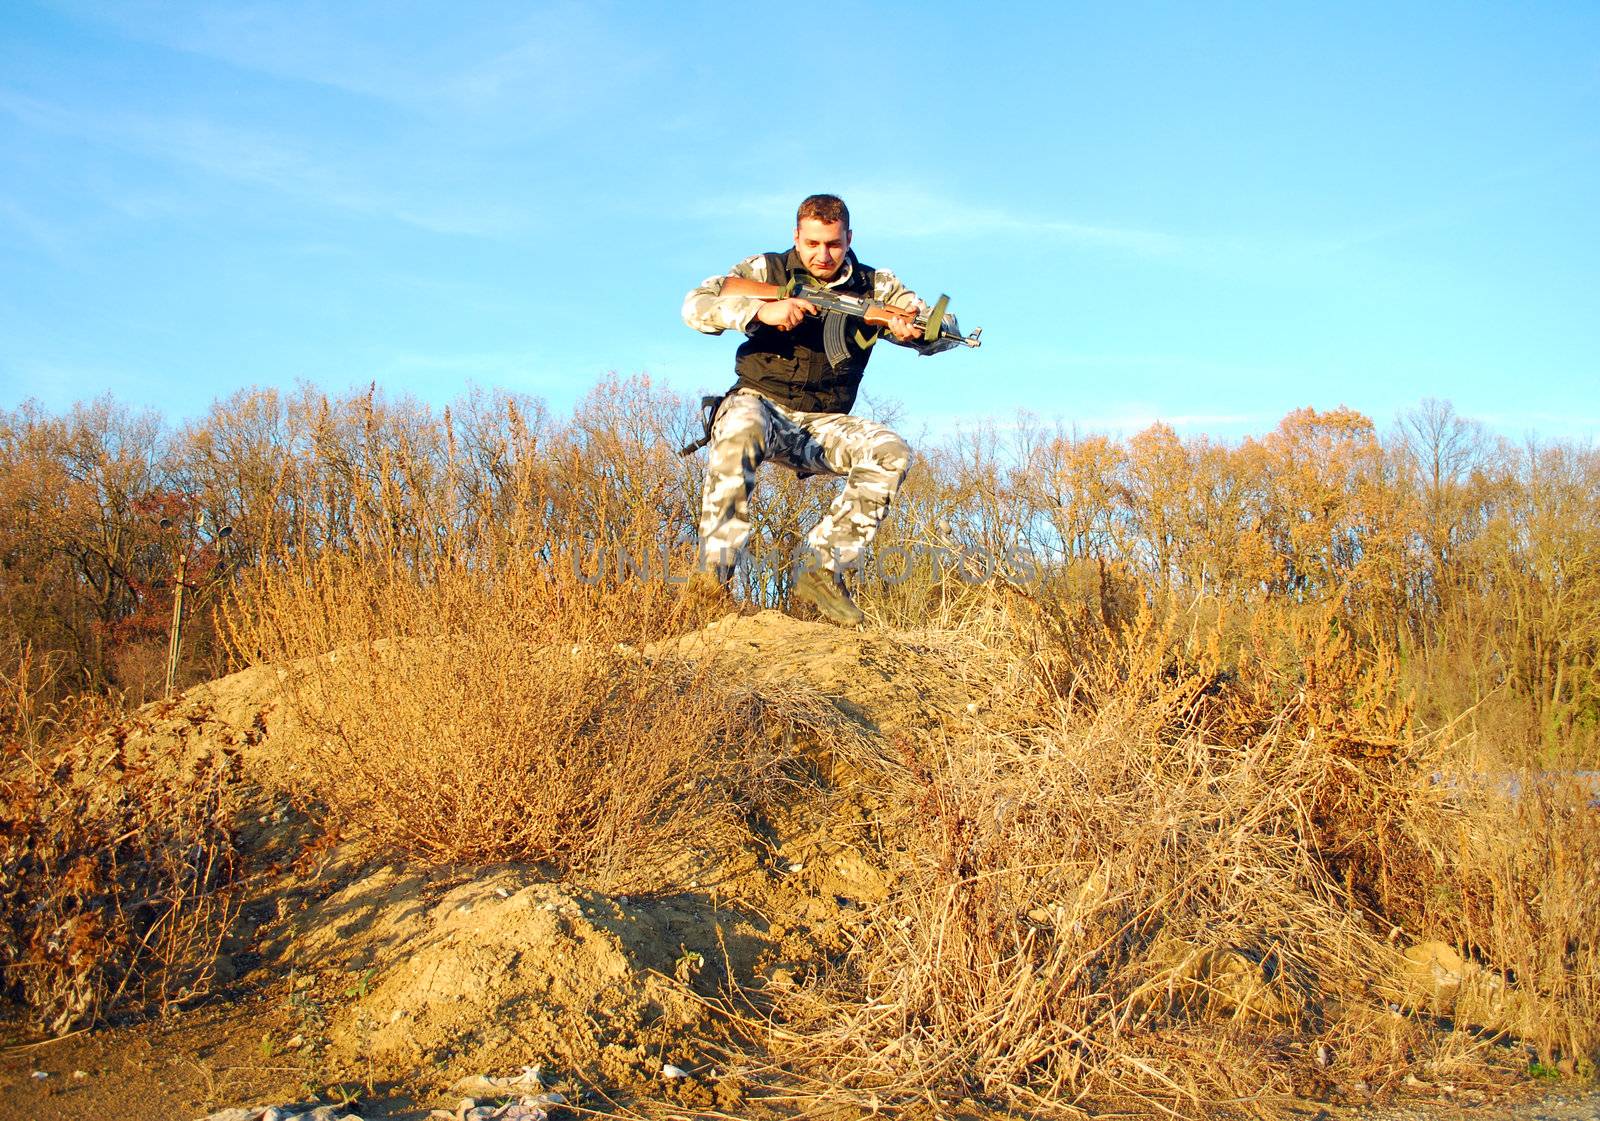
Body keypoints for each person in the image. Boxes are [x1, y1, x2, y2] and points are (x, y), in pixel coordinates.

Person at [681, 194, 927, 626]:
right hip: (759, 405)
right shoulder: (765, 270)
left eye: (833, 244)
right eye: (812, 244)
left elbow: (932, 325)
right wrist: (761, 310)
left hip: (823, 423)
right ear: (797, 236)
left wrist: (917, 333)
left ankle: (823, 569)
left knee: (891, 451)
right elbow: (695, 306)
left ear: (849, 238)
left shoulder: (877, 285)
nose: (823, 254)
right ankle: (713, 579)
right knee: (741, 423)